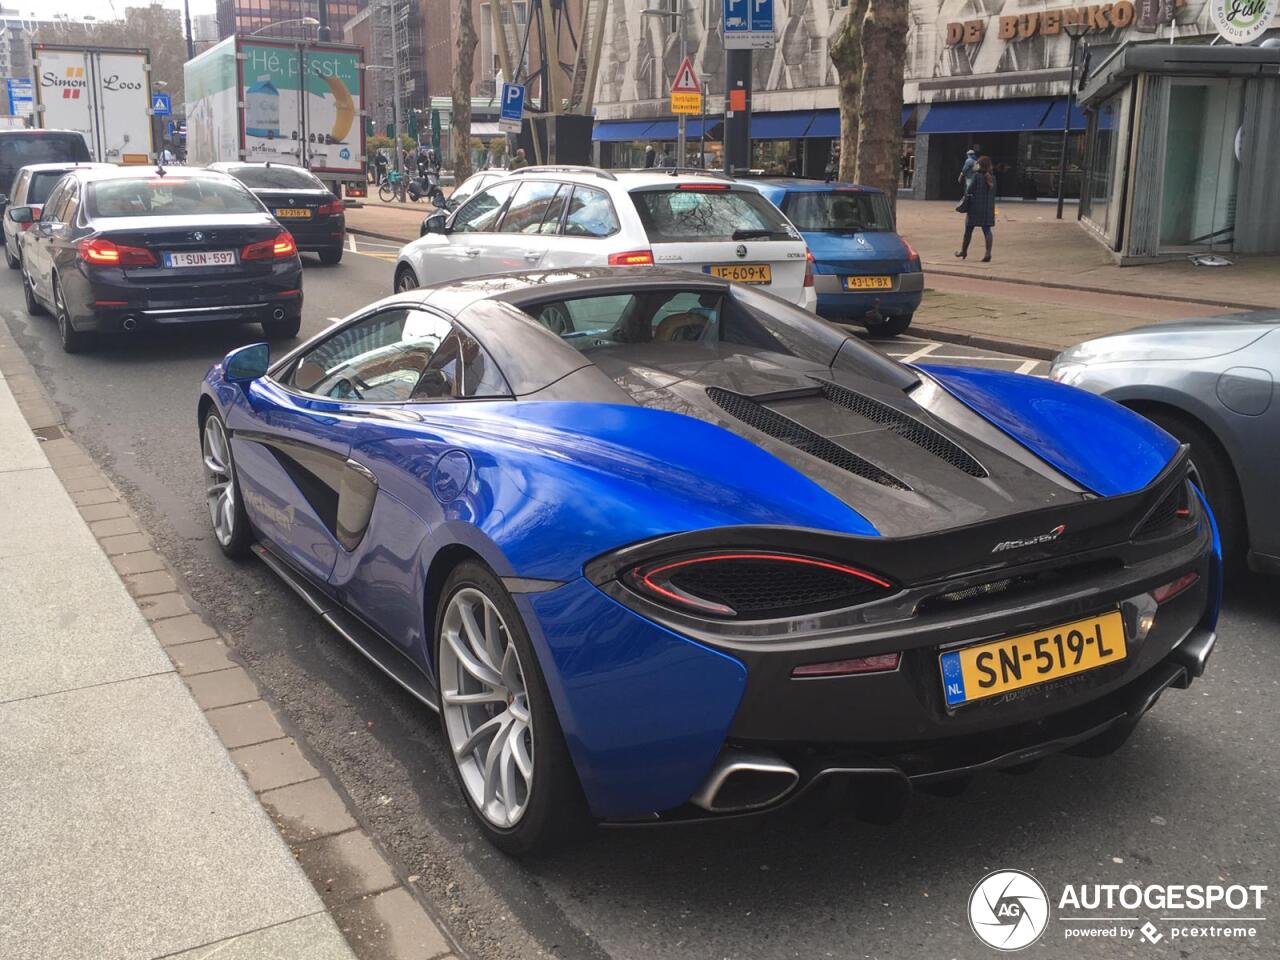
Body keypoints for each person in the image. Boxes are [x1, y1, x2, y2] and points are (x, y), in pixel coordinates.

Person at [955, 155, 996, 262]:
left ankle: (963, 251)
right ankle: (988, 253)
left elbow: (969, 190)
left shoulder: (977, 176)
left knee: (968, 229)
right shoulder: (992, 177)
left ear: (981, 165)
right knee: (987, 230)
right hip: (987, 209)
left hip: (975, 208)